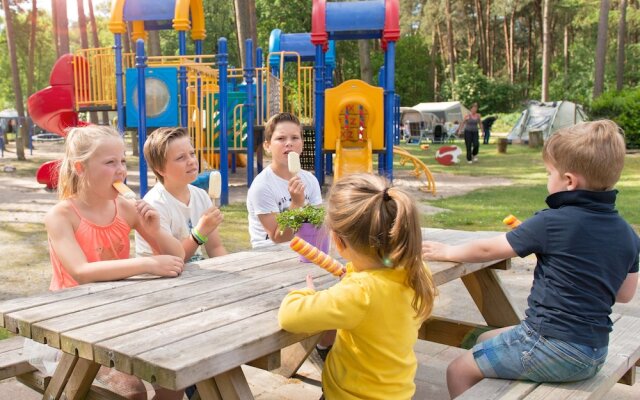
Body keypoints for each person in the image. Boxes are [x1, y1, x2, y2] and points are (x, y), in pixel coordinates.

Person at [422, 120, 639, 399]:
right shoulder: (627, 233)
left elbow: (489, 250)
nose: (548, 180)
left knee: (458, 370)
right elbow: (624, 294)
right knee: (486, 338)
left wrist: (448, 252)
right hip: (593, 352)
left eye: (550, 173)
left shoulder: (552, 223)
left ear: (569, 181)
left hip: (549, 345)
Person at [45, 125, 186, 399]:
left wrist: (156, 229)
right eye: (110, 162)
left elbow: (178, 255)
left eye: (122, 160)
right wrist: (147, 264)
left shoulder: (126, 208)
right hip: (72, 320)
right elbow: (82, 272)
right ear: (80, 168)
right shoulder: (61, 216)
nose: (120, 170)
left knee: (176, 379)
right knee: (131, 393)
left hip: (119, 311)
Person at [278, 173, 438, 400]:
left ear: (338, 241)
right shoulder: (417, 272)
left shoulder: (359, 292)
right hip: (398, 392)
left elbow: (289, 316)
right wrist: (354, 274)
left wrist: (307, 293)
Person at [135, 127, 227, 262]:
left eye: (192, 153)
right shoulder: (155, 204)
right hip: (161, 278)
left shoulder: (201, 196)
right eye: (181, 158)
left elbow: (215, 248)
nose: (191, 161)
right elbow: (171, 260)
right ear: (160, 170)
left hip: (194, 275)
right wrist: (199, 233)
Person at [246, 112, 322, 248]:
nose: (289, 143)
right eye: (281, 138)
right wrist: (297, 204)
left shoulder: (310, 180)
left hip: (305, 251)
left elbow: (316, 226)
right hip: (270, 257)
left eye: (294, 138)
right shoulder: (262, 186)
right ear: (267, 146)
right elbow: (278, 238)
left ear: (302, 144)